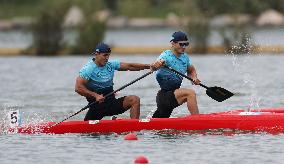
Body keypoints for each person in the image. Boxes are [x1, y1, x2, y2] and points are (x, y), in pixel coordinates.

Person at [75, 42, 151, 121]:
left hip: (111, 104)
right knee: (90, 131)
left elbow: (130, 66)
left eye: (108, 55)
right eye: (105, 55)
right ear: (97, 54)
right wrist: (95, 95)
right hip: (96, 107)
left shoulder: (110, 65)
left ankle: (134, 127)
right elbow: (78, 87)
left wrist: (149, 66)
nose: (107, 58)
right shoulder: (88, 69)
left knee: (134, 99)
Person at [150, 31, 201, 118]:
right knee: (190, 93)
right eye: (181, 44)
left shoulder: (185, 57)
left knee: (161, 122)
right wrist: (156, 65)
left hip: (173, 94)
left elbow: (191, 70)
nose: (184, 47)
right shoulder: (165, 56)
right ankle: (198, 121)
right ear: (173, 43)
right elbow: (153, 67)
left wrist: (194, 77)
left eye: (186, 44)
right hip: (165, 96)